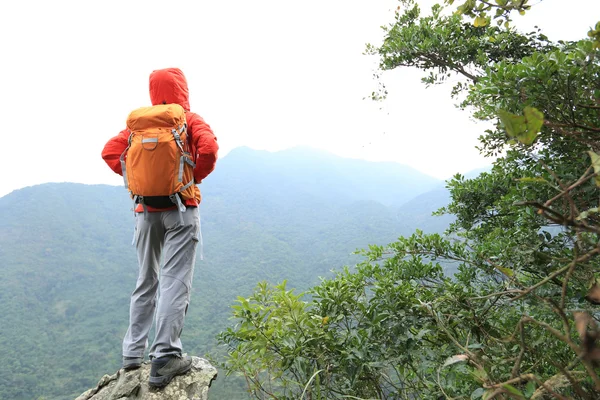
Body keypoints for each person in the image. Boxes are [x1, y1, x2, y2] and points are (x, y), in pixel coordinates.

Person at [101, 67, 218, 388]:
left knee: (145, 280)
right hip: (182, 210)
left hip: (144, 211)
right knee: (175, 281)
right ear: (183, 88)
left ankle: (132, 355)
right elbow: (208, 149)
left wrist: (140, 180)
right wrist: (189, 180)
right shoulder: (188, 119)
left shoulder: (139, 125)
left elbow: (109, 152)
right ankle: (165, 356)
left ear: (153, 90)